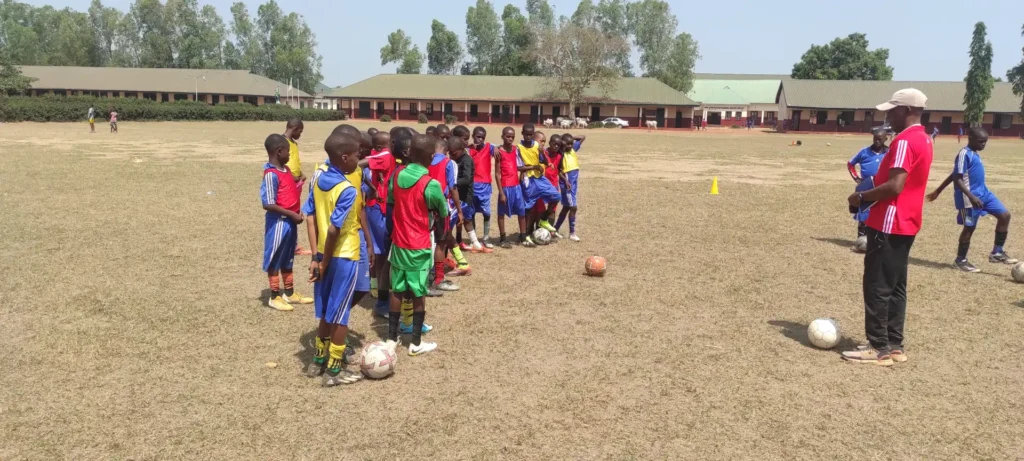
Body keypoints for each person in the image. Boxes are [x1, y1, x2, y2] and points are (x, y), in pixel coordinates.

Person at [844, 88, 933, 366]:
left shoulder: (905, 141)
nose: (887, 116)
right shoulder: (925, 139)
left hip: (889, 222)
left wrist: (860, 197)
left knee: (877, 285)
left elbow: (895, 186)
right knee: (895, 286)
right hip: (907, 221)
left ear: (907, 111)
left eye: (891, 110)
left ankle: (877, 348)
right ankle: (894, 344)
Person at [304, 133, 365, 386]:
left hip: (322, 255)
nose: (359, 159)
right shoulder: (347, 189)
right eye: (356, 155)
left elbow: (309, 215)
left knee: (327, 311)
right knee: (340, 314)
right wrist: (326, 261)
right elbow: (332, 229)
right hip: (343, 256)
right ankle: (334, 370)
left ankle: (317, 361)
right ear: (344, 157)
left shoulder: (317, 176)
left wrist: (316, 257)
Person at [386, 134, 447, 356]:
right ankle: (415, 343)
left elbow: (391, 203)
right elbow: (442, 211)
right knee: (418, 291)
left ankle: (391, 338)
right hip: (419, 244)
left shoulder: (397, 175)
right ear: (431, 158)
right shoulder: (430, 184)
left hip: (398, 242)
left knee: (397, 289)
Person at [926, 127, 1016, 272]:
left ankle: (997, 252)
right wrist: (971, 196)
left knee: (1005, 215)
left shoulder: (974, 153)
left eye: (985, 142)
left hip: (984, 194)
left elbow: (953, 174)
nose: (983, 145)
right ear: (971, 139)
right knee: (969, 228)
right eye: (981, 142)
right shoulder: (964, 154)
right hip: (969, 199)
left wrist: (938, 190)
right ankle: (960, 260)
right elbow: (957, 177)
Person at [260, 134, 312, 312]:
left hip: (291, 222)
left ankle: (289, 293)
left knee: (288, 257)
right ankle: (274, 296)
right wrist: (291, 213)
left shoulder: (286, 170)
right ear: (279, 151)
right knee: (275, 258)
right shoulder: (270, 174)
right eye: (288, 152)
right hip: (279, 224)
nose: (290, 155)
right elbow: (268, 203)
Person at [429, 137, 470, 290]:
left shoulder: (423, 161)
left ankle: (428, 275)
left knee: (428, 241)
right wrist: (459, 210)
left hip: (423, 206)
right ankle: (438, 278)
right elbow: (453, 188)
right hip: (441, 207)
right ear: (446, 152)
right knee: (441, 242)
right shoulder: (449, 163)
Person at [518, 124, 561, 243]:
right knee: (530, 209)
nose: (543, 143)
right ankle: (526, 234)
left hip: (539, 180)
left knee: (556, 196)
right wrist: (533, 167)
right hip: (528, 180)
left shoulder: (539, 148)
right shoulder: (520, 147)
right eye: (541, 141)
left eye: (531, 134)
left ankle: (543, 221)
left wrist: (547, 164)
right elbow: (518, 166)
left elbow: (544, 160)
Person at [847, 129, 889, 252]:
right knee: (864, 216)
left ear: (885, 139)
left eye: (880, 139)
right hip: (867, 187)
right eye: (875, 138)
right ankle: (860, 242)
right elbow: (850, 164)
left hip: (882, 188)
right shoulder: (864, 151)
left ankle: (879, 242)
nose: (877, 141)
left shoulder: (890, 153)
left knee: (881, 214)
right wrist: (857, 179)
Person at [495, 127, 530, 248]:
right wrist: (501, 193)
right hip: (505, 187)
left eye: (512, 137)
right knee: (501, 214)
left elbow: (520, 165)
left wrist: (524, 173)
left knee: (522, 212)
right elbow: (497, 173)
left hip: (516, 187)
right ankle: (503, 238)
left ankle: (523, 236)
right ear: (502, 136)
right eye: (507, 136)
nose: (510, 139)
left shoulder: (516, 150)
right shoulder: (499, 152)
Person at [284, 118, 312, 256]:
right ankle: (289, 244)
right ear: (294, 129)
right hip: (287, 184)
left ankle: (293, 244)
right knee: (289, 213)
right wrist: (292, 177)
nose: (300, 134)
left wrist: (301, 174)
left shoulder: (293, 143)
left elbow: (294, 162)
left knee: (295, 211)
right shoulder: (282, 143)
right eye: (300, 132)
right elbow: (282, 166)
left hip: (296, 183)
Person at [468, 126, 497, 250]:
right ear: (473, 136)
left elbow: (500, 147)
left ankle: (486, 237)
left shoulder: (489, 147)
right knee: (472, 213)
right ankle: (473, 240)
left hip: (485, 186)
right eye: (477, 136)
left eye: (482, 137)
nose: (480, 139)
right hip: (472, 186)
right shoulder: (468, 150)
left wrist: (495, 147)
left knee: (487, 213)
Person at [554, 132, 585, 241]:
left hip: (574, 183)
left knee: (566, 207)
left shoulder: (572, 150)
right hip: (567, 185)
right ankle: (572, 233)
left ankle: (555, 229)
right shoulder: (561, 154)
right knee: (573, 207)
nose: (570, 146)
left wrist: (571, 138)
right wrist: (566, 181)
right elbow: (558, 171)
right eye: (567, 144)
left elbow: (582, 136)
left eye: (571, 143)